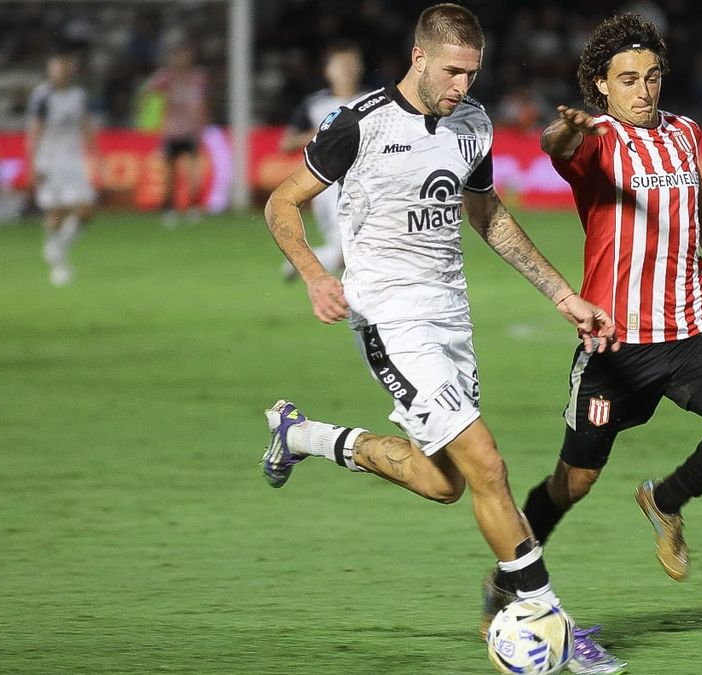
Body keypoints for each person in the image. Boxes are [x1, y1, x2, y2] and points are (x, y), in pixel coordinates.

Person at [259, 5, 625, 674]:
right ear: (419, 57)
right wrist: (315, 274)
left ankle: (303, 434)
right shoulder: (359, 124)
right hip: (389, 322)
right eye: (452, 70)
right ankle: (553, 622)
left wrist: (563, 294)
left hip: (451, 322)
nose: (462, 84)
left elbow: (488, 215)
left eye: (472, 71)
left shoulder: (472, 123)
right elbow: (280, 201)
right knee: (488, 463)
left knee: (445, 481)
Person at [483, 9, 702, 613]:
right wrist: (566, 131)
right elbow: (554, 146)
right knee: (575, 482)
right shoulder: (595, 142)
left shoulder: (685, 131)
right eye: (628, 79)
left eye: (651, 76)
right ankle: (509, 580)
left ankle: (665, 500)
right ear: (601, 87)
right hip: (615, 345)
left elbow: (694, 194)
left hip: (689, 331)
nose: (643, 90)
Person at [277, 42, 364, 280]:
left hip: (365, 185)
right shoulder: (314, 104)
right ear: (328, 70)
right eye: (341, 64)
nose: (347, 69)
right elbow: (286, 143)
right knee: (349, 253)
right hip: (327, 188)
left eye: (352, 63)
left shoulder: (370, 101)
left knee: (358, 252)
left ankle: (304, 262)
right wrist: (322, 134)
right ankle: (303, 261)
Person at [26, 51, 98, 286]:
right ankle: (58, 262)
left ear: (69, 68)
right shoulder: (42, 97)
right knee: (56, 212)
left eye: (63, 67)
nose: (59, 71)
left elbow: (86, 126)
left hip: (74, 160)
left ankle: (57, 248)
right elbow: (34, 132)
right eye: (55, 67)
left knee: (86, 210)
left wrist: (97, 156)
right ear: (50, 69)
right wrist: (32, 164)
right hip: (49, 160)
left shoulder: (79, 95)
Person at [143, 41, 207, 226]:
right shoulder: (167, 76)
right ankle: (169, 208)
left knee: (193, 171)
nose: (183, 59)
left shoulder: (197, 76)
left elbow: (202, 103)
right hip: (172, 131)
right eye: (180, 55)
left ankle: (194, 206)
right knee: (171, 172)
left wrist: (201, 126)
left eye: (186, 55)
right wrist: (152, 112)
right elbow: (148, 89)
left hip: (191, 131)